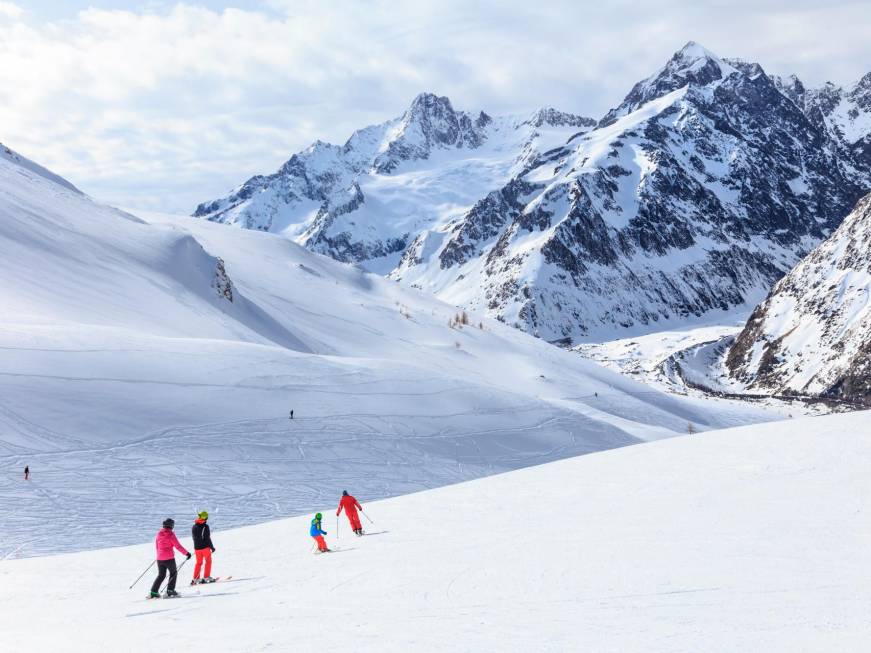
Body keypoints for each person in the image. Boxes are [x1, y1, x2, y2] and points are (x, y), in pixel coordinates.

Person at [149, 518, 191, 598]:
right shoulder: (171, 535)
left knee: (161, 575)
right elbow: (178, 546)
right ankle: (170, 590)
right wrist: (187, 553)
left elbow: (157, 546)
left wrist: (159, 555)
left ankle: (153, 592)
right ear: (171, 526)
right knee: (173, 573)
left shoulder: (159, 534)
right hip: (169, 558)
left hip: (160, 558)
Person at [191, 511, 216, 585]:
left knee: (198, 563)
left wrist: (196, 546)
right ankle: (206, 577)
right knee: (208, 561)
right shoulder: (205, 526)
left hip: (197, 548)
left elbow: (194, 537)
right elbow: (207, 538)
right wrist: (212, 547)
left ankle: (196, 578)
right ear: (206, 517)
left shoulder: (194, 526)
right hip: (205, 548)